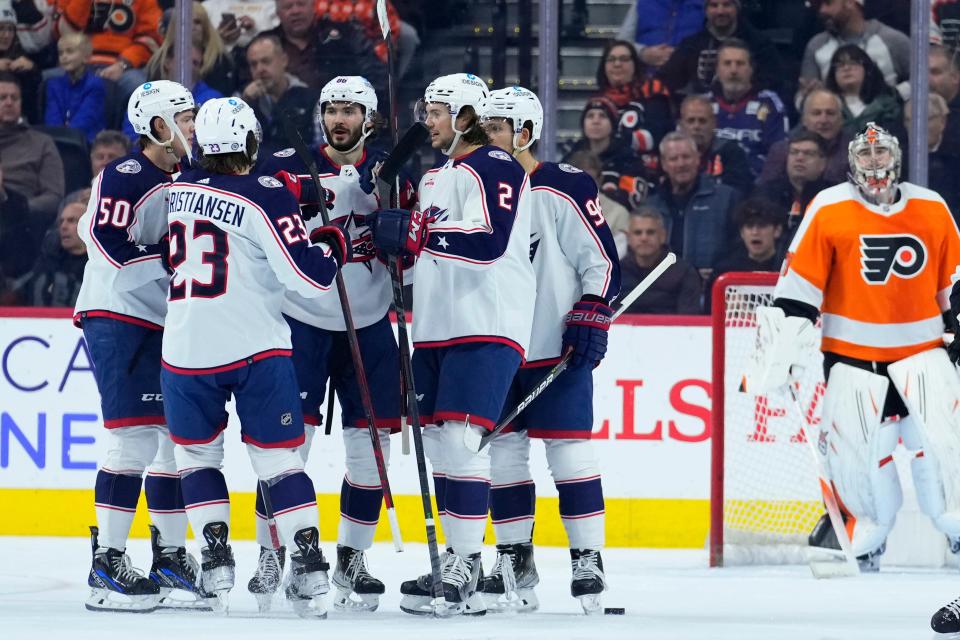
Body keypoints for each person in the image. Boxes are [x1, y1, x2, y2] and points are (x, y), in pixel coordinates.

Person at [160, 96, 349, 616]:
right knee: (279, 461)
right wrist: (332, 245)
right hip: (254, 348)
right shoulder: (265, 197)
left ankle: (215, 559)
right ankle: (308, 565)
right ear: (250, 142)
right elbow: (309, 278)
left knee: (196, 458)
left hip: (184, 349)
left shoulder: (177, 191)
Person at [755, 123, 960, 581]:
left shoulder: (931, 207)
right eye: (865, 156)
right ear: (851, 163)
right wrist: (784, 344)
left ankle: (956, 525)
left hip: (924, 352)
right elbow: (799, 286)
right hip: (851, 355)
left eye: (881, 153)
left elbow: (955, 280)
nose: (874, 163)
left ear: (897, 158)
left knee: (943, 450)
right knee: (859, 461)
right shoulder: (828, 208)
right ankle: (861, 531)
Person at [367, 73, 536, 616]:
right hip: (437, 326)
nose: (427, 121)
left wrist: (418, 233)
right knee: (441, 447)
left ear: (465, 115)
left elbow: (488, 239)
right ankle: (459, 560)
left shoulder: (496, 165)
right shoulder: (441, 176)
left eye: (436, 111)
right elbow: (430, 253)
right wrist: (397, 250)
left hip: (486, 323)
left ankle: (463, 567)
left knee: (462, 444)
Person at [255, 75, 414, 613]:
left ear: (368, 119)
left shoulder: (389, 173)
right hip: (299, 319)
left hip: (367, 325)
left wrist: (402, 239)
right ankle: (272, 553)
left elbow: (409, 255)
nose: (339, 119)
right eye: (332, 110)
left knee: (371, 452)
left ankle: (351, 558)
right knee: (285, 449)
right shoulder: (283, 165)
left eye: (350, 110)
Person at [476, 86, 621, 614]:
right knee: (504, 454)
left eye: (495, 127)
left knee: (570, 451)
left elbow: (601, 260)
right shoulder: (472, 188)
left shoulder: (559, 186)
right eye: (482, 126)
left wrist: (591, 310)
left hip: (551, 345)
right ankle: (514, 558)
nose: (484, 136)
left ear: (526, 132)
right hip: (493, 347)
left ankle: (588, 559)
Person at [73, 80, 201, 613]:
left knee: (173, 440)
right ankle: (107, 562)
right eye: (185, 117)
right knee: (133, 443)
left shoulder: (189, 178)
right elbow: (109, 245)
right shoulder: (126, 174)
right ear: (156, 126)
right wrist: (174, 259)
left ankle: (169, 555)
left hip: (162, 320)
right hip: (117, 314)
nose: (194, 127)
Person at [646, 131, 739, 279]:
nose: (681, 164)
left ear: (698, 159)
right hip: (662, 292)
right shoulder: (651, 206)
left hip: (710, 289)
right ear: (664, 164)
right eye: (674, 159)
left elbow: (738, 250)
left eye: (686, 157)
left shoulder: (726, 199)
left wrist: (715, 274)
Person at [657, 0, 783, 99]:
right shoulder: (691, 45)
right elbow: (666, 80)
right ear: (706, 10)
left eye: (726, 4)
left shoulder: (760, 44)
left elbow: (774, 82)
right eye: (714, 5)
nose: (720, 11)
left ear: (737, 8)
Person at [799, 0, 910, 103]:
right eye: (819, 5)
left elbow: (923, 80)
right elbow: (802, 96)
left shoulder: (892, 40)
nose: (822, 10)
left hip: (885, 120)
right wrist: (806, 98)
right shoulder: (816, 45)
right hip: (836, 120)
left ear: (850, 2)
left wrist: (894, 96)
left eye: (828, 3)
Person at [263, 0, 385, 94]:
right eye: (288, 7)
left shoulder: (344, 35)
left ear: (313, 7)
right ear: (278, 13)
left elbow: (374, 73)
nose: (295, 11)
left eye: (301, 4)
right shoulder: (263, 45)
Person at [709, 39, 788, 179]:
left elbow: (778, 153)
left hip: (754, 184)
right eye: (727, 63)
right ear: (717, 69)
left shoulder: (770, 104)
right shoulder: (702, 104)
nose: (733, 70)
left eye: (740, 64)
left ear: (751, 69)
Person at [57, 0, 163, 98]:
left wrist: (122, 65)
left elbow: (151, 38)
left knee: (140, 89)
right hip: (78, 64)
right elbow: (65, 33)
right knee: (50, 83)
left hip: (125, 68)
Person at [0, 74, 64, 222]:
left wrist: (18, 208)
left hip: (19, 220)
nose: (9, 103)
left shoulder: (41, 143)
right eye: (2, 98)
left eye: (14, 98)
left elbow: (54, 197)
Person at [595, 39, 673, 161]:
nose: (617, 64)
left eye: (624, 59)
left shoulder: (653, 90)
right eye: (611, 59)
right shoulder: (597, 101)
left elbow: (656, 136)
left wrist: (608, 141)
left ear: (635, 65)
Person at [240, 33, 319, 151]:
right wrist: (245, 102)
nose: (259, 69)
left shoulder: (311, 99)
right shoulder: (242, 100)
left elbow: (321, 148)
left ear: (284, 60)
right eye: (253, 64)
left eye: (266, 61)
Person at [13, 188, 89, 307]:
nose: (63, 226)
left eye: (71, 220)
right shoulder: (47, 262)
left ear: (88, 224)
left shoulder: (97, 265)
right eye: (61, 221)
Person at [760, 88, 852, 186]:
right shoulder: (782, 151)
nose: (823, 120)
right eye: (816, 113)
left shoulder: (855, 152)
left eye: (830, 113)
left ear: (841, 119)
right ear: (804, 119)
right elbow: (764, 193)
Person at [617, 207, 702, 314]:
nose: (644, 238)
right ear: (628, 238)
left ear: (663, 236)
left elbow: (689, 321)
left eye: (650, 232)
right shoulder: (614, 273)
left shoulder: (684, 273)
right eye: (638, 233)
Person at [754, 129, 831, 246]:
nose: (799, 158)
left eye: (808, 153)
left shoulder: (832, 196)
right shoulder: (765, 193)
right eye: (794, 152)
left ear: (823, 163)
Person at [706, 196, 785, 307]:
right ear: (742, 233)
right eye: (749, 226)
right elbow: (708, 312)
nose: (755, 232)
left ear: (777, 231)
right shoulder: (725, 270)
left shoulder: (789, 270)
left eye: (762, 226)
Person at [678, 95, 753, 196]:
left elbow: (737, 194)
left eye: (702, 121)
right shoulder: (672, 156)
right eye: (691, 121)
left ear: (714, 124)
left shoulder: (732, 153)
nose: (696, 126)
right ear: (681, 125)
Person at [824, 43, 901, 134]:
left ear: (867, 69)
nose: (846, 68)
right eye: (840, 65)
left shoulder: (888, 105)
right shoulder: (825, 107)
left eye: (853, 63)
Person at [44, 32, 106, 143]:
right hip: (58, 139)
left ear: (86, 58)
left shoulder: (95, 84)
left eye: (70, 51)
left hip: (86, 141)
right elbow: (52, 117)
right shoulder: (53, 84)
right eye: (60, 53)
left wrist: (66, 134)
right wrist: (59, 136)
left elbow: (86, 119)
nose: (64, 57)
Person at [616, 0, 704, 70]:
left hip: (690, 82)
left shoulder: (706, 5)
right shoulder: (642, 3)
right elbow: (621, 43)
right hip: (645, 80)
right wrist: (643, 53)